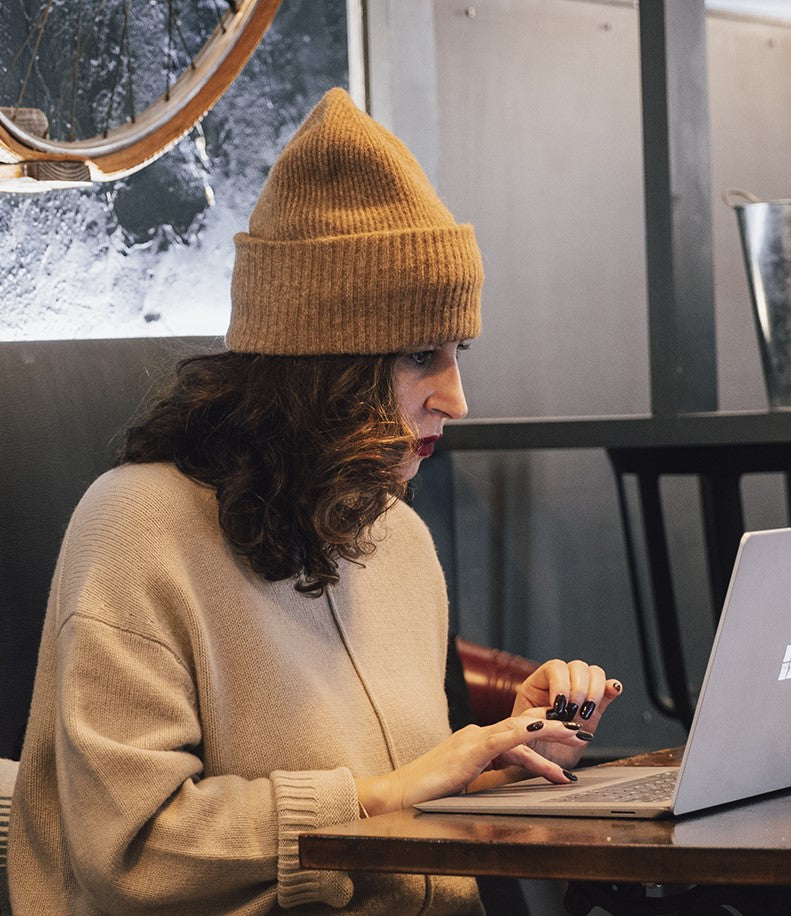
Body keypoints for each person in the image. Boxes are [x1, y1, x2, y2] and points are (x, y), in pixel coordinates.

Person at [8, 88, 622, 914]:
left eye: (456, 350)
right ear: (318, 366)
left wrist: (498, 764)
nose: (456, 397)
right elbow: (132, 850)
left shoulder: (395, 536)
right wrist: (383, 795)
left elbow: (404, 805)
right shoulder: (137, 527)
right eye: (417, 356)